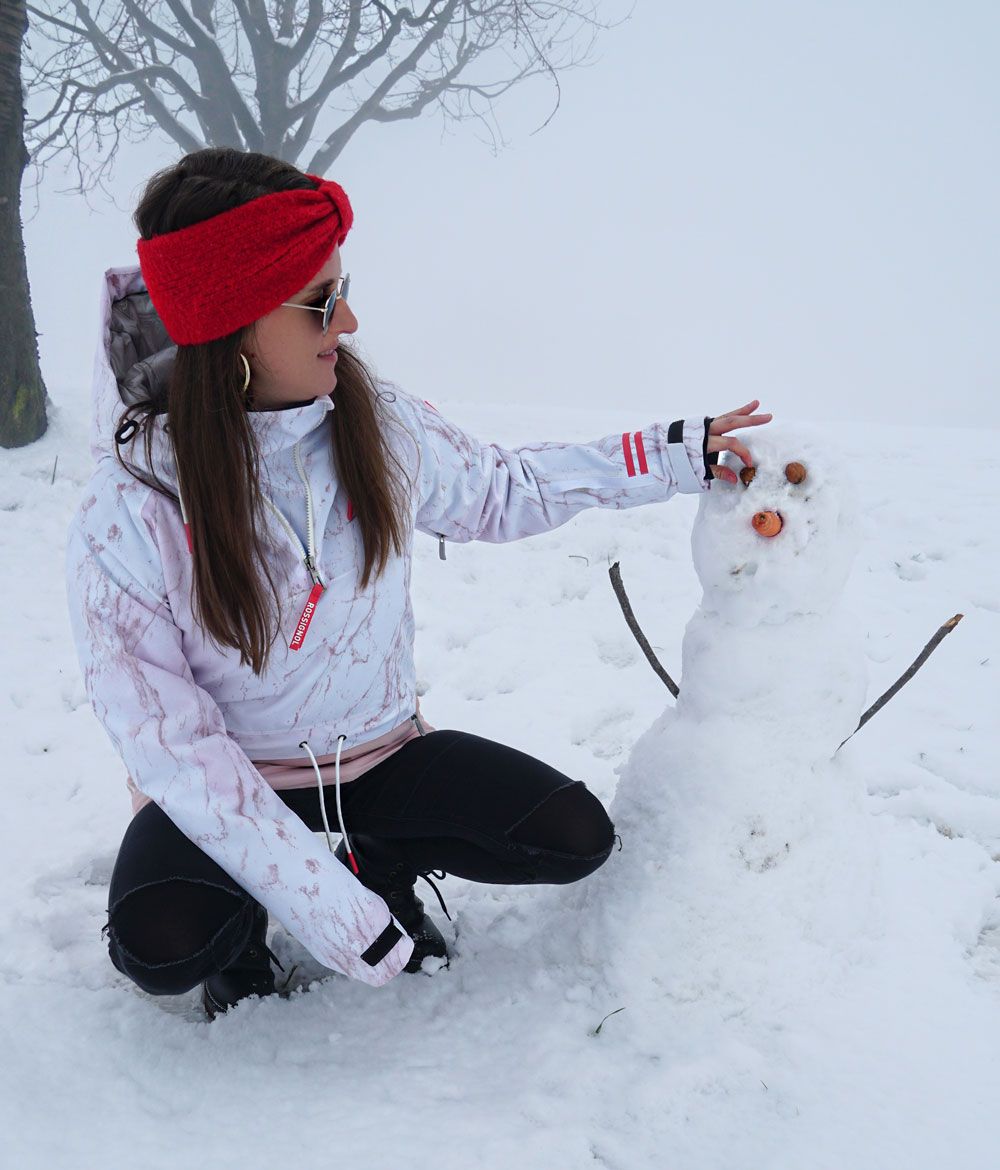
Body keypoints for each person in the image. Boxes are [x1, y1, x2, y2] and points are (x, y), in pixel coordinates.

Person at [66, 147, 771, 1018]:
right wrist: (325, 909)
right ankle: (240, 925)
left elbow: (506, 489)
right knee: (162, 945)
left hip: (374, 758)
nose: (348, 320)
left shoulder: (372, 423)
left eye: (342, 288)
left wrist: (667, 455)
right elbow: (172, 745)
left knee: (571, 837)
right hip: (217, 787)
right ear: (232, 325)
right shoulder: (131, 507)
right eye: (319, 301)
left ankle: (377, 858)